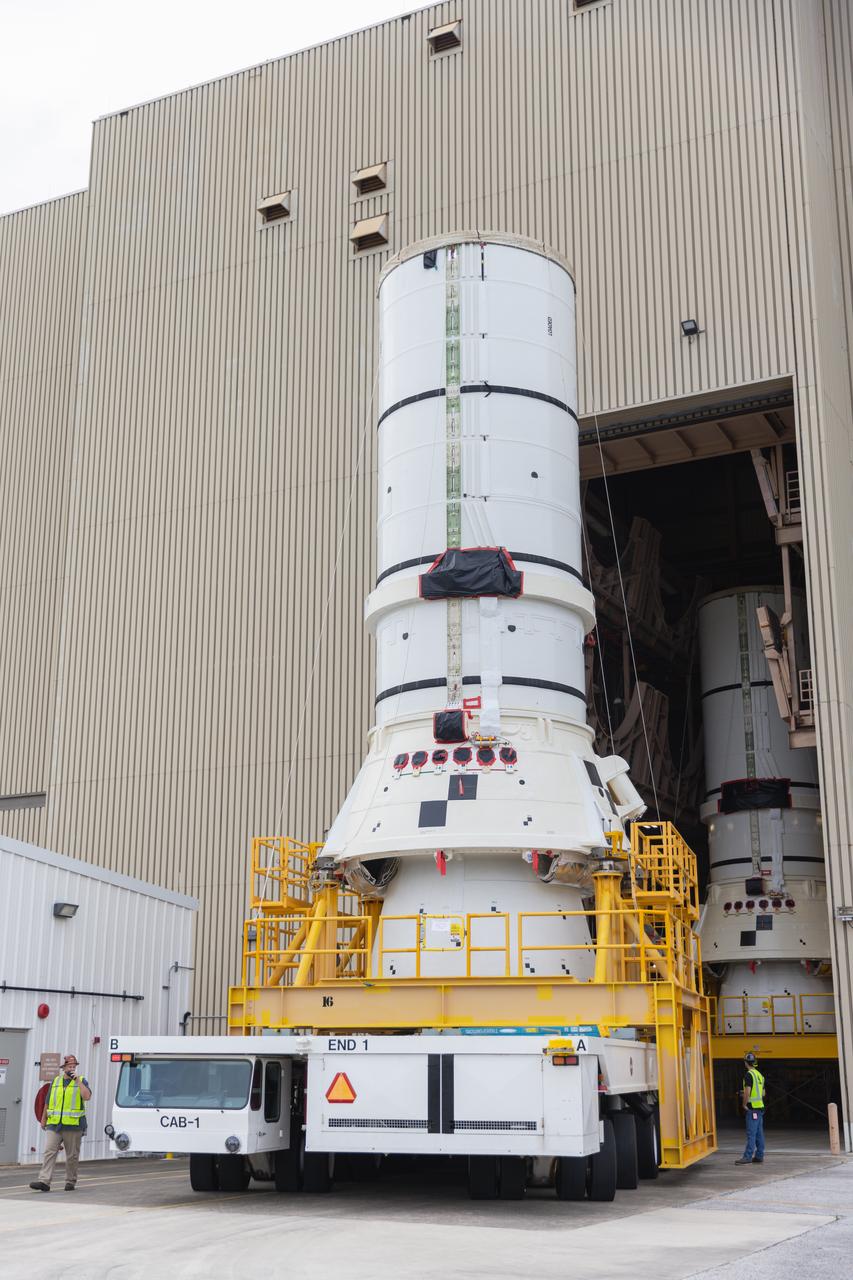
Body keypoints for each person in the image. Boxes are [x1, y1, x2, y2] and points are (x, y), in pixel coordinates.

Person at [29, 1054, 92, 1191]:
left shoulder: (81, 1081)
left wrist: (77, 1081)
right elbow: (48, 1101)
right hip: (54, 1124)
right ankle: (44, 1181)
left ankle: (70, 1181)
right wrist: (44, 1119)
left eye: (74, 1066)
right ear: (63, 1068)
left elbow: (87, 1097)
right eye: (69, 1066)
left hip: (74, 1125)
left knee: (72, 1156)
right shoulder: (56, 1081)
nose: (72, 1068)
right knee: (49, 1151)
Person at [735, 1051, 765, 1165]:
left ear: (746, 1063)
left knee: (751, 1134)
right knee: (759, 1134)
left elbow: (748, 1091)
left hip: (752, 1109)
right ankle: (759, 1156)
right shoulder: (759, 1075)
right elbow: (763, 1093)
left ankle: (747, 1157)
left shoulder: (749, 1075)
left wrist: (744, 1104)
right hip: (760, 1108)